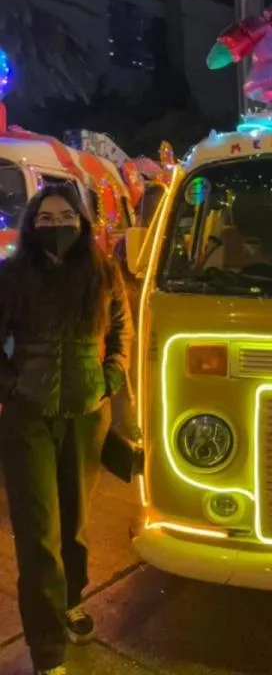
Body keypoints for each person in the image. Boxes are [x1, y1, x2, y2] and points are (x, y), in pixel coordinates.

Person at [0, 183, 133, 675]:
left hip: (86, 413)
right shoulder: (12, 276)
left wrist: (110, 378)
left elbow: (122, 333)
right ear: (32, 225)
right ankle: (47, 649)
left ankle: (71, 600)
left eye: (65, 217)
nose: (56, 227)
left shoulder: (103, 273)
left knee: (74, 528)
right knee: (37, 535)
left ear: (82, 223)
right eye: (46, 218)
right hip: (28, 418)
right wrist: (11, 385)